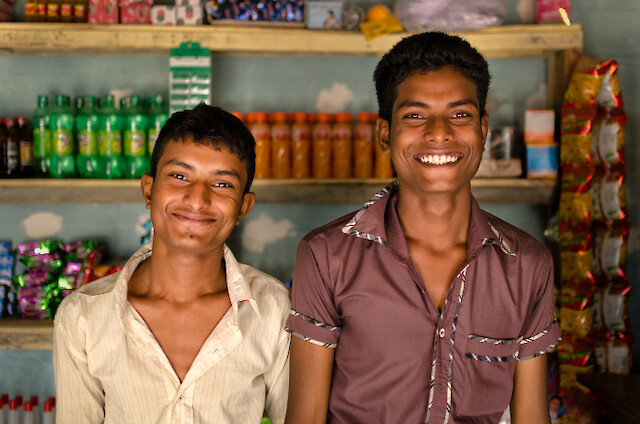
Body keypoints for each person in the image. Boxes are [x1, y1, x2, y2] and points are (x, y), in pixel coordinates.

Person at [284, 31, 561, 424]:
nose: (438, 132)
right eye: (415, 115)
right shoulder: (327, 255)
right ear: (385, 132)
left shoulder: (527, 264)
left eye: (460, 114)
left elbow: (532, 417)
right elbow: (306, 417)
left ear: (484, 129)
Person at [53, 104, 291, 423]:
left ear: (244, 206)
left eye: (222, 184)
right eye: (179, 176)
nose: (197, 200)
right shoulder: (83, 316)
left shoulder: (273, 309)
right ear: (149, 189)